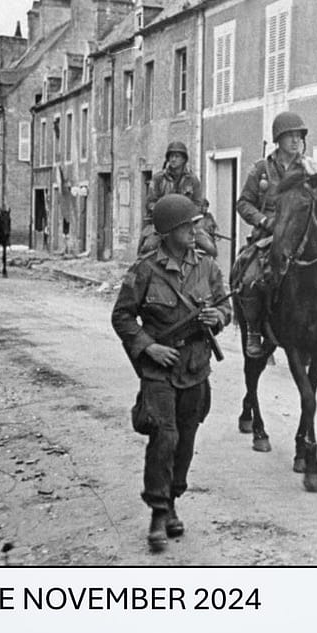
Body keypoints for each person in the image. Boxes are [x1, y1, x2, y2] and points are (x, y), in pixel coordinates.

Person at [111, 192, 232, 554]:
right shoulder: (145, 270)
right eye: (187, 226)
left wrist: (218, 318)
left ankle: (173, 499)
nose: (195, 232)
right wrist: (149, 346)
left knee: (186, 440)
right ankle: (158, 513)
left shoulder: (208, 268)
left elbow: (226, 309)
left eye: (196, 225)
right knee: (165, 437)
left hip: (195, 367)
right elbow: (122, 316)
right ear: (168, 232)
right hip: (159, 369)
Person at [234, 110, 317, 358]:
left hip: (303, 232)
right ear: (278, 139)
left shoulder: (310, 168)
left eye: (299, 135)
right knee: (250, 276)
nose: (296, 140)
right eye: (290, 136)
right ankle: (254, 330)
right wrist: (263, 220)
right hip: (270, 234)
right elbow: (244, 203)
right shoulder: (261, 169)